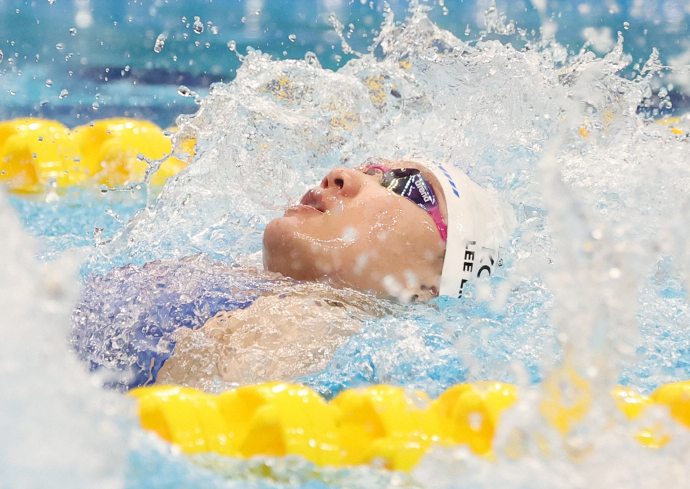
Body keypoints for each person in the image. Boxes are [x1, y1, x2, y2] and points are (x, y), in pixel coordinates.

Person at [154, 157, 512, 390]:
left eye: (405, 185)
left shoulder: (309, 323)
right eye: (370, 169)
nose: (341, 176)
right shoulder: (245, 292)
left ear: (428, 286)